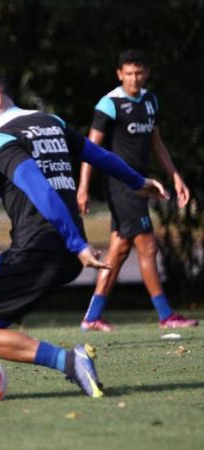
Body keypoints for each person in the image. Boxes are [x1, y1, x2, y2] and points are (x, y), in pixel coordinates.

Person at [0, 68, 169, 403]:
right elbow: (95, 153)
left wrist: (77, 244)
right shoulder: (49, 123)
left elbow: (40, 191)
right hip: (49, 246)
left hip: (42, 249)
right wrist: (135, 180)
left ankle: (70, 361)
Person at [77, 50, 197, 331]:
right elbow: (89, 148)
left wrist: (175, 176)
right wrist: (83, 187)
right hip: (120, 185)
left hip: (140, 186)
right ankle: (166, 315)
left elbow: (157, 143)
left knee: (119, 250)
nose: (134, 78)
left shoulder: (150, 101)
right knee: (148, 245)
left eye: (139, 73)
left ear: (147, 73)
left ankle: (92, 316)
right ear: (120, 74)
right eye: (129, 73)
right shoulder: (109, 104)